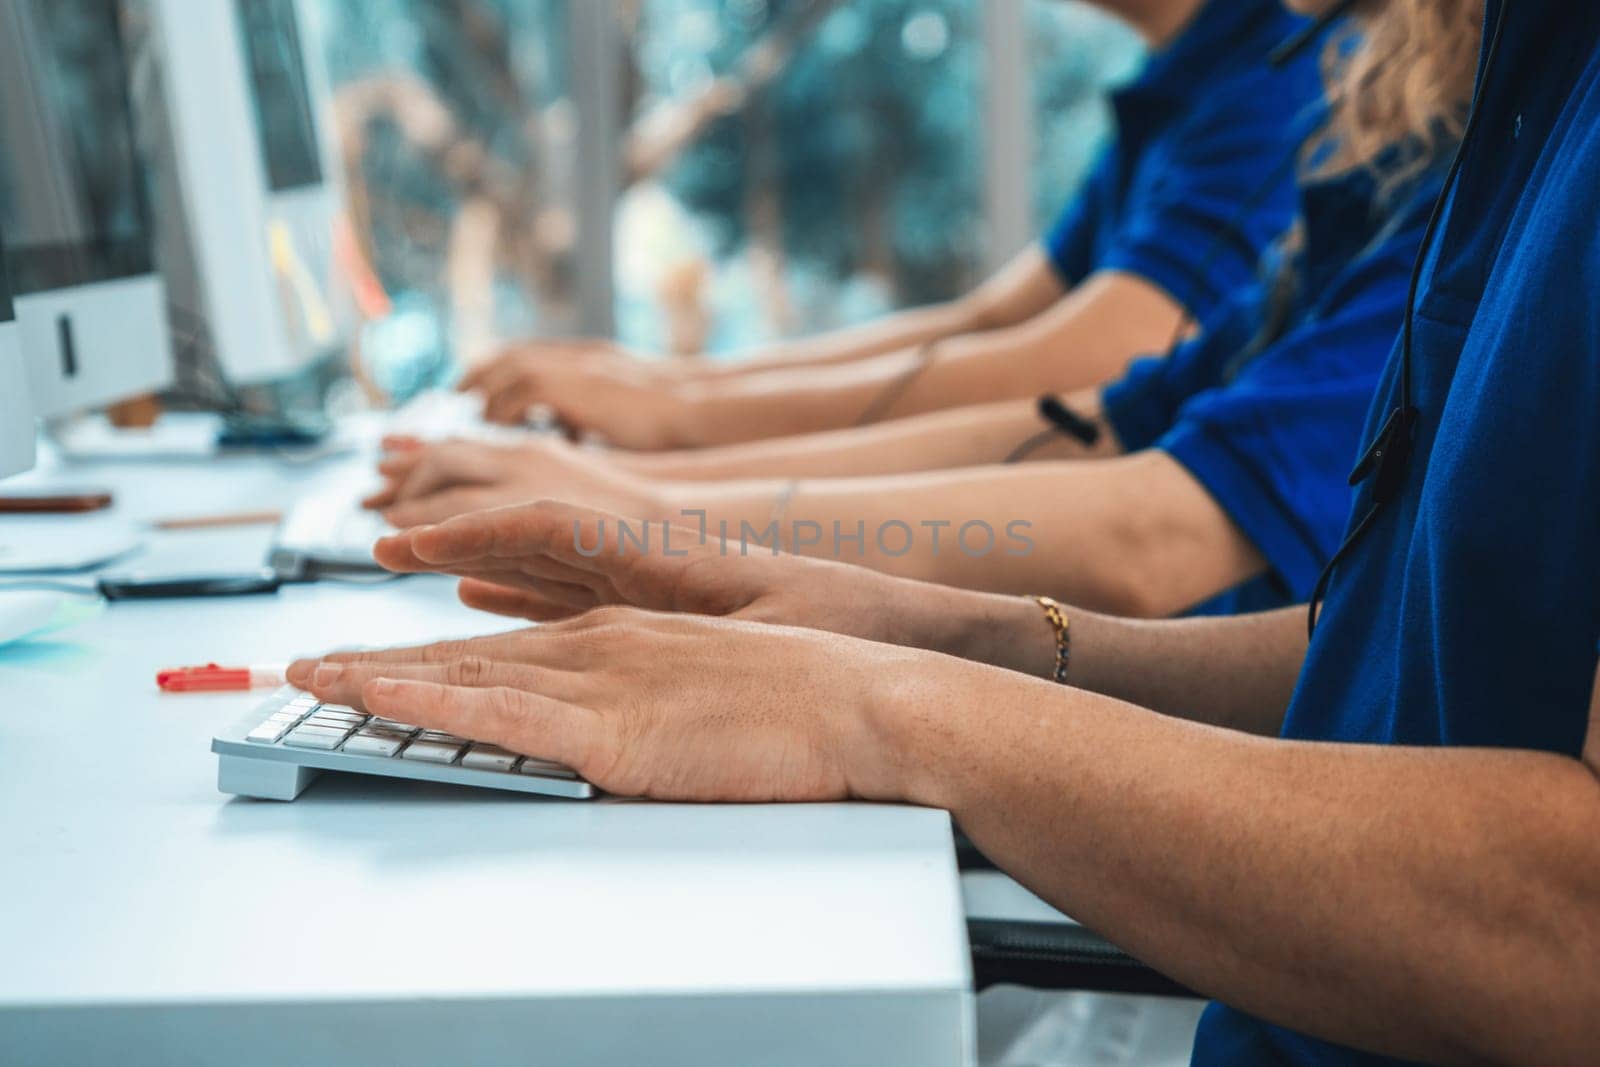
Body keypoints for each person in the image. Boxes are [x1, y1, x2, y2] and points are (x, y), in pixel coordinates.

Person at [290, 1, 1600, 1062]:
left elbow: (1153, 517)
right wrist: (911, 624)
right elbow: (1390, 659)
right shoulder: (1519, 89)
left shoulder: (1329, 102)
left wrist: (877, 694)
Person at [365, 0, 1477, 619]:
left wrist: (662, 493)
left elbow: (1142, 496)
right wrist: (658, 441)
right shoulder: (1339, 131)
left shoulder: (1296, 99)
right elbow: (1068, 389)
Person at [455, 0, 1322, 450]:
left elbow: (1084, 365)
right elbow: (987, 321)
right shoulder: (1188, 83)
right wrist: (671, 391)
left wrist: (682, 424)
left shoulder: (1272, 89)